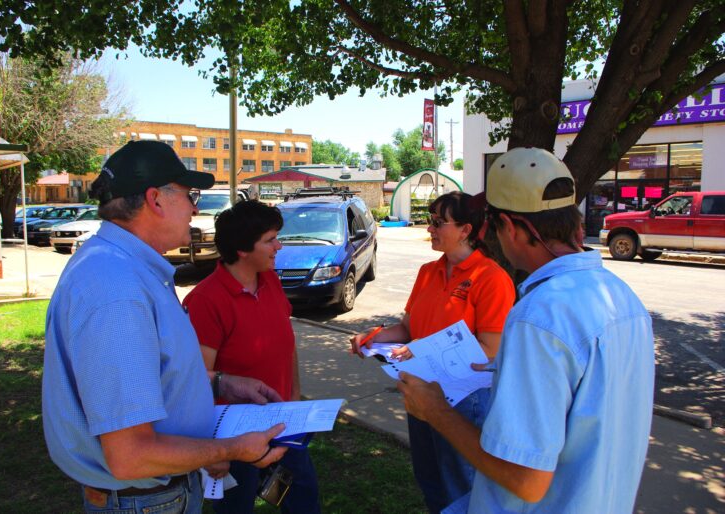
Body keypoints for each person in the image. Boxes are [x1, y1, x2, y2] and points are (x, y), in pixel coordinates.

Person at [398, 147, 655, 513]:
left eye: (492, 225)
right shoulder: (623, 300)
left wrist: (435, 410)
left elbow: (526, 480)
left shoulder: (539, 317)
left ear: (510, 227)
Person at [42, 141, 288, 514]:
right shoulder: (118, 289)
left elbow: (150, 374)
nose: (195, 207)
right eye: (190, 195)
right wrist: (232, 449)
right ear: (156, 199)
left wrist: (221, 383)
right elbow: (131, 456)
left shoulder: (124, 269)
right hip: (146, 501)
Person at [350, 191, 515, 513]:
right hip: (420, 391)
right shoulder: (429, 271)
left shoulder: (491, 278)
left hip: (464, 401)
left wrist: (420, 354)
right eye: (430, 221)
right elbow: (408, 328)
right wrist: (372, 338)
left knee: (462, 486)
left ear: (466, 230)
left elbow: (490, 351)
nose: (430, 229)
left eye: (438, 223)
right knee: (430, 480)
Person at [183, 200, 321, 514]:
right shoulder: (205, 301)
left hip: (284, 422)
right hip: (233, 435)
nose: (279, 246)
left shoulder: (270, 279)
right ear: (243, 250)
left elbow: (287, 347)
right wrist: (212, 449)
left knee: (303, 501)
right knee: (236, 508)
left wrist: (294, 400)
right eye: (270, 239)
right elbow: (195, 383)